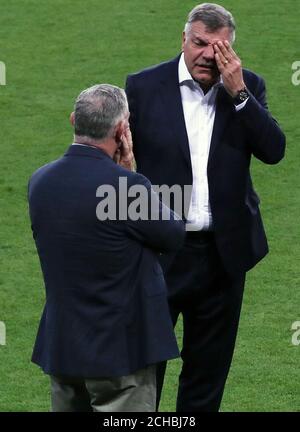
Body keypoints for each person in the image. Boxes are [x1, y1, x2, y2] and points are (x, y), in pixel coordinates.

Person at [125, 3, 286, 412]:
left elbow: (274, 151)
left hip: (223, 256)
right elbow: (120, 164)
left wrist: (240, 94)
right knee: (145, 372)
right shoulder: (142, 87)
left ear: (231, 50)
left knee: (207, 376)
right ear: (183, 39)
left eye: (220, 48)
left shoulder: (247, 87)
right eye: (199, 43)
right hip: (160, 255)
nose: (207, 55)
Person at [28, 84, 185, 412]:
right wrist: (131, 175)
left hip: (64, 348)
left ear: (74, 120)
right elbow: (172, 235)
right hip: (120, 353)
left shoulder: (40, 182)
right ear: (121, 130)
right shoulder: (126, 188)